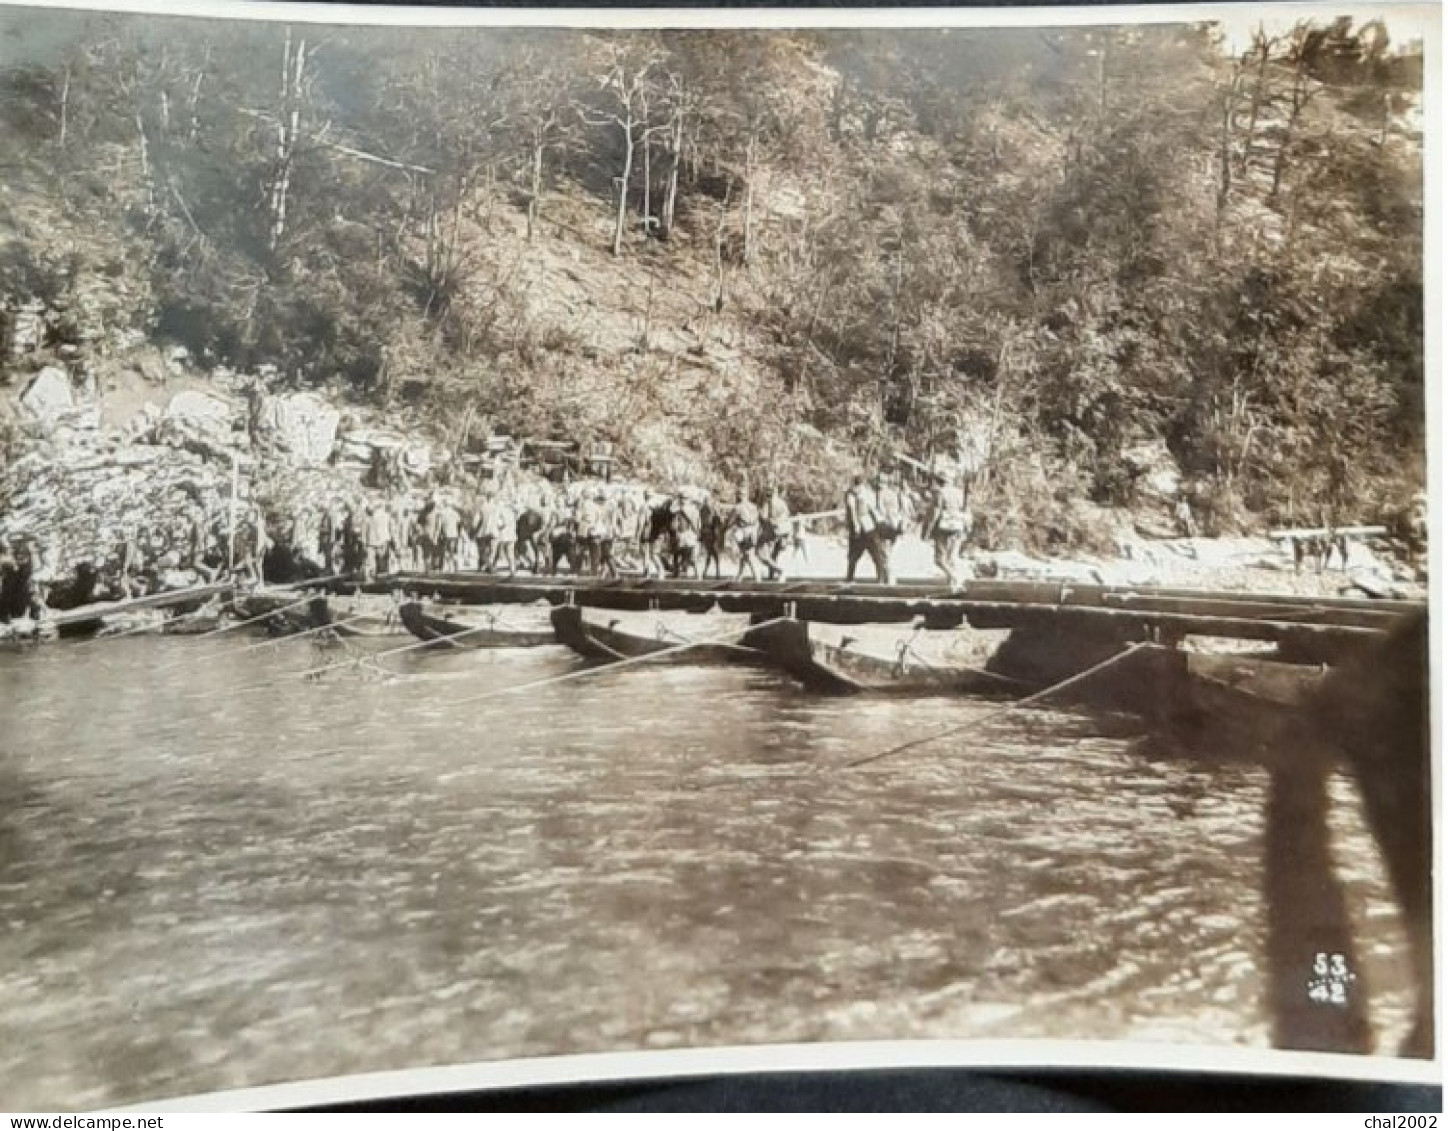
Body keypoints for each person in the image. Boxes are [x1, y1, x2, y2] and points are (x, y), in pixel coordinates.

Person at [924, 472, 972, 591]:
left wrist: (928, 530)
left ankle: (956, 578)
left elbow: (936, 513)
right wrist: (967, 526)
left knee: (939, 559)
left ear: (938, 481)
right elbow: (967, 510)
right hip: (958, 526)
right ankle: (954, 586)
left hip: (944, 527)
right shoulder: (959, 493)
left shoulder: (940, 493)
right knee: (952, 558)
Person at [844, 473, 890, 584]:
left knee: (855, 555)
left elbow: (852, 510)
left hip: (862, 528)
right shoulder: (866, 493)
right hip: (868, 527)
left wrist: (855, 525)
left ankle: (850, 578)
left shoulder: (852, 493)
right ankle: (881, 578)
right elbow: (872, 510)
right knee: (875, 554)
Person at [729, 484, 762, 581]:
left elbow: (730, 522)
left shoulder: (737, 508)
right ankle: (740, 576)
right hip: (753, 532)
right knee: (745, 554)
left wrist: (730, 527)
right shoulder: (753, 506)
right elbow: (757, 520)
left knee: (748, 555)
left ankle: (757, 578)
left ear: (739, 495)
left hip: (743, 533)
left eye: (738, 494)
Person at [760, 486, 792, 582]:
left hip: (776, 530)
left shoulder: (770, 503)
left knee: (770, 553)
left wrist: (770, 520)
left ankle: (778, 572)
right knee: (775, 553)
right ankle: (773, 574)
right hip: (782, 530)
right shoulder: (781, 503)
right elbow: (787, 514)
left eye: (768, 492)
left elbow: (764, 516)